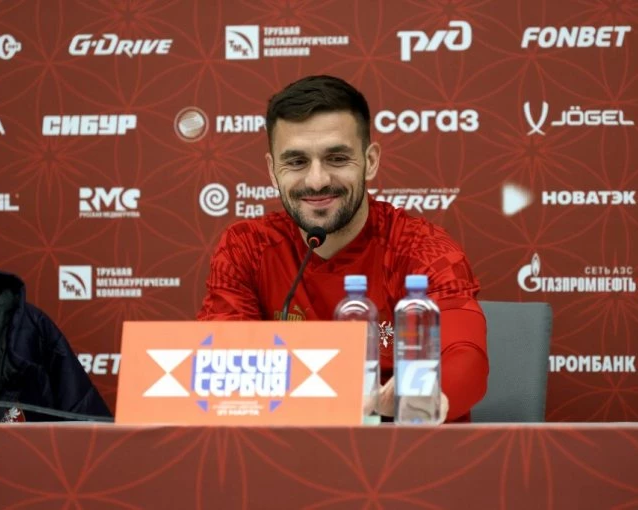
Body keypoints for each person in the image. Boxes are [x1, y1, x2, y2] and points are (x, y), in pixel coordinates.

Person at [197, 75, 488, 423]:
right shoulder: (245, 248)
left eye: (336, 158)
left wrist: (417, 397)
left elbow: (465, 358)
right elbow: (221, 368)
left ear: (371, 160)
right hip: (286, 447)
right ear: (273, 171)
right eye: (296, 162)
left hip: (405, 445)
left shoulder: (424, 249)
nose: (317, 180)